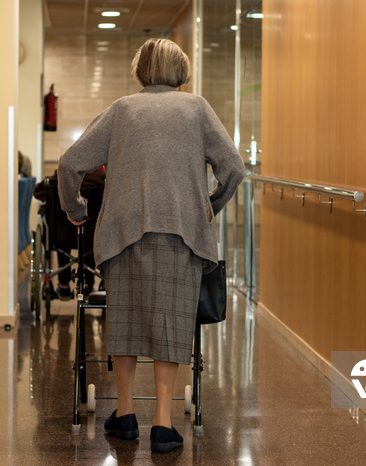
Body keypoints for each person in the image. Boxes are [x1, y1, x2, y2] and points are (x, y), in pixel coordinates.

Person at [57, 38, 244, 453]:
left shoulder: (122, 109)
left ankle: (125, 415)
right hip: (182, 231)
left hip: (123, 231)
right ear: (181, 70)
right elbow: (233, 167)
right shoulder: (197, 108)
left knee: (123, 321)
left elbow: (71, 163)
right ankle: (163, 421)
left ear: (141, 69)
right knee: (172, 323)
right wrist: (207, 206)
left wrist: (75, 208)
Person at [33, 167, 105, 299]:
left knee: (61, 237)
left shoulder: (61, 175)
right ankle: (88, 286)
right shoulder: (101, 177)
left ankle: (63, 285)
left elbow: (38, 192)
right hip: (91, 234)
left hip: (62, 235)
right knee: (90, 243)